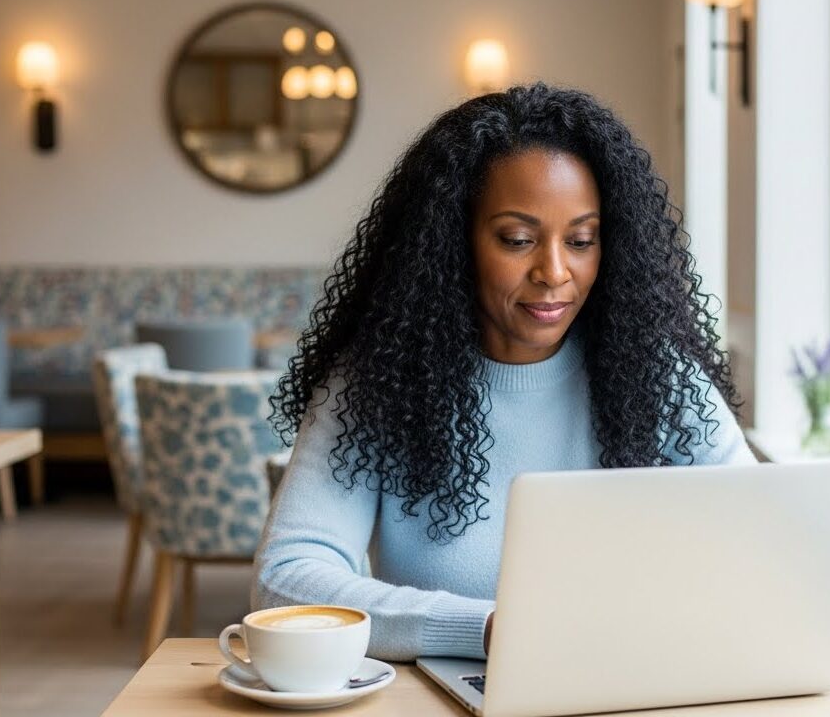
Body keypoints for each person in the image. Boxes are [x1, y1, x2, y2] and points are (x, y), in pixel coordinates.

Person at [252, 82, 757, 662]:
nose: (554, 271)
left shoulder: (661, 379)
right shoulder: (378, 383)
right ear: (451, 243)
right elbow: (287, 580)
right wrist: (492, 630)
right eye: (518, 239)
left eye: (582, 240)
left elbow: (757, 539)